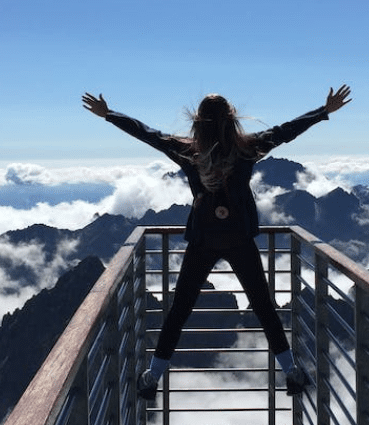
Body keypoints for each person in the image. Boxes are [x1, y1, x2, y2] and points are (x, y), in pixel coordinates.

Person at [82, 85, 352, 399]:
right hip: (239, 238)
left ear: (198, 122)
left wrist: (109, 115)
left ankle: (152, 377)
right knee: (264, 306)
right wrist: (323, 111)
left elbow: (148, 134)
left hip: (203, 238)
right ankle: (291, 372)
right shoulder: (248, 148)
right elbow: (286, 131)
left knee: (180, 309)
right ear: (232, 119)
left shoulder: (187, 150)